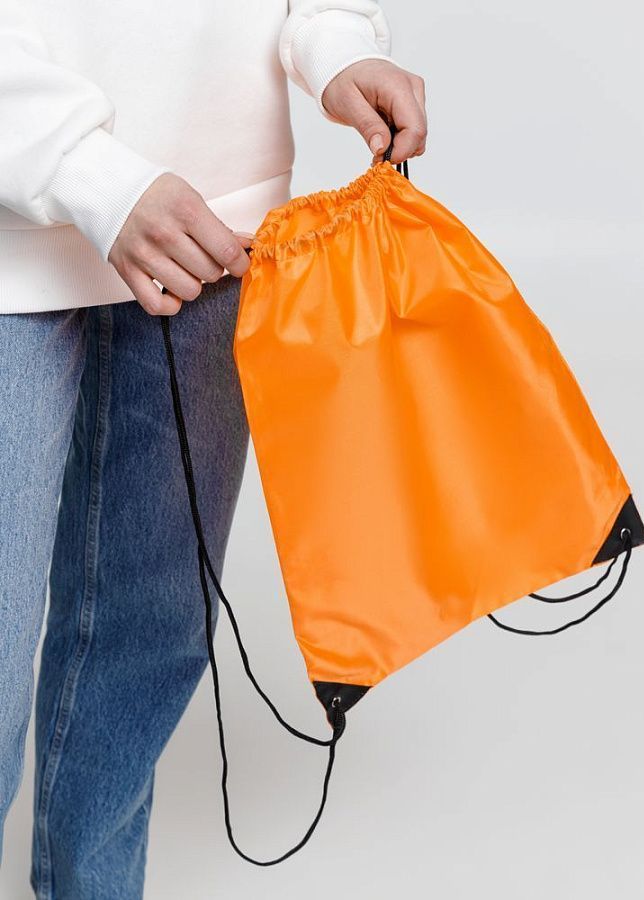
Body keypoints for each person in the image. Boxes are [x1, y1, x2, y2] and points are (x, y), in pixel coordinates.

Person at [0, 0, 427, 895]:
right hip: (12, 234)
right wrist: (83, 168)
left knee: (153, 626)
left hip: (217, 223)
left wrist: (339, 44)